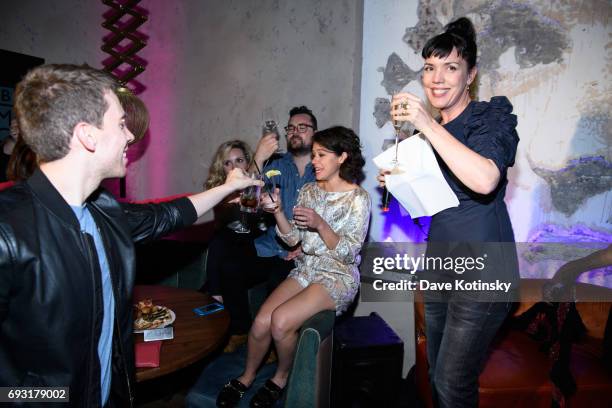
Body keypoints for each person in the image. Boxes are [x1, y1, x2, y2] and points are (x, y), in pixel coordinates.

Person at [0, 64, 262, 407]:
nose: (130, 137)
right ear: (87, 135)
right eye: (121, 125)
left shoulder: (103, 208)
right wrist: (48, 399)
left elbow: (166, 215)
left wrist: (229, 188)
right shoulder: (8, 229)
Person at [378, 17, 520, 408]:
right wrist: (402, 183)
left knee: (452, 383)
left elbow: (485, 179)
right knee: (436, 376)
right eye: (429, 68)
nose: (437, 78)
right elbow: (438, 207)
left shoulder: (491, 117)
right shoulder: (426, 138)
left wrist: (425, 122)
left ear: (470, 75)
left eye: (451, 67)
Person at [217, 126, 371, 408]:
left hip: (336, 274)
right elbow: (293, 240)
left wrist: (320, 224)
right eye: (313, 154)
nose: (314, 160)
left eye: (322, 154)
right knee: (262, 320)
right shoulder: (309, 190)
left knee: (281, 321)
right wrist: (277, 213)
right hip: (306, 266)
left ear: (342, 157)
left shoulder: (358, 198)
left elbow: (349, 253)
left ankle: (280, 377)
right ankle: (248, 376)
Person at [203, 139, 264, 351]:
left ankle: (218, 298)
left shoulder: (259, 187)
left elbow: (250, 221)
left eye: (239, 160)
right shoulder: (220, 193)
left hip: (259, 255)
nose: (235, 166)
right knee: (223, 248)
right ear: (223, 168)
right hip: (232, 257)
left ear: (248, 163)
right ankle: (220, 305)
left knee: (222, 245)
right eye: (228, 163)